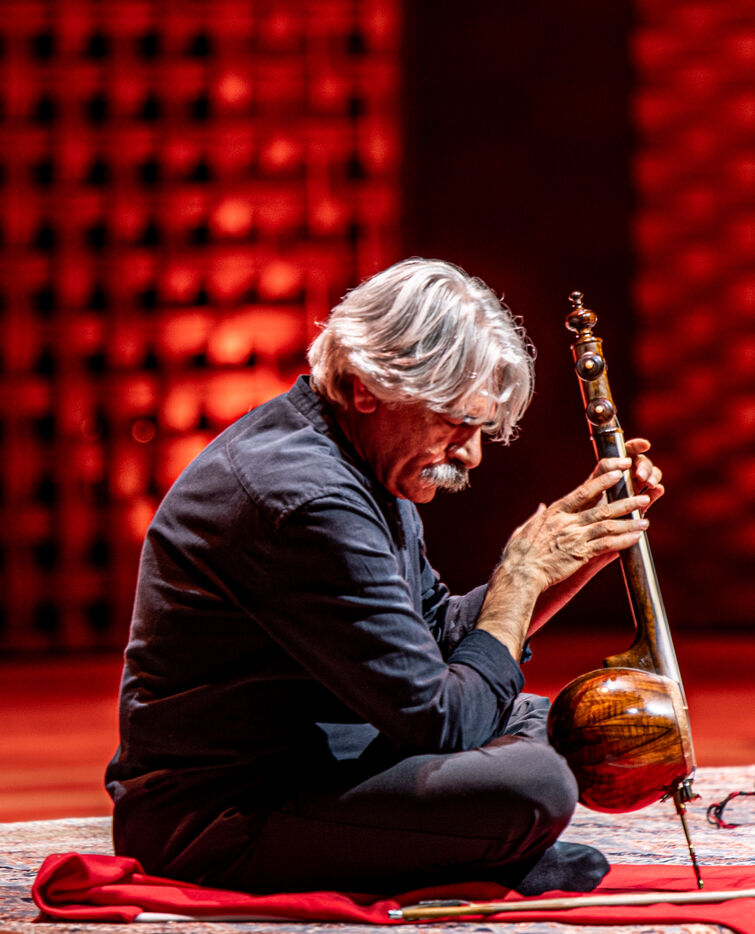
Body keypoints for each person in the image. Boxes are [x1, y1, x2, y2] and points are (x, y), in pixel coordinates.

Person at [106, 258, 663, 897]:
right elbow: (444, 722)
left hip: (336, 760)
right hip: (221, 820)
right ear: (369, 385)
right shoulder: (309, 500)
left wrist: (579, 551)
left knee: (558, 725)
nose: (471, 454)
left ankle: (465, 857)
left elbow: (437, 635)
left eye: (480, 428)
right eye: (456, 422)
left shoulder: (361, 459)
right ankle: (472, 860)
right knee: (535, 783)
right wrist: (520, 574)